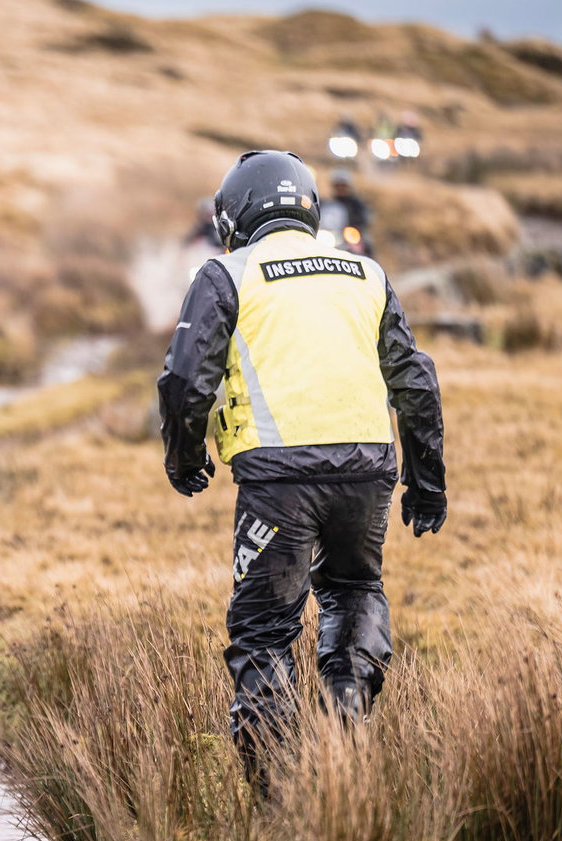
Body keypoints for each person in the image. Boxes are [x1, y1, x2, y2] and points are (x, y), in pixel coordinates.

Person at [156, 149, 446, 789]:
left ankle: (281, 798)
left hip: (279, 483)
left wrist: (183, 458)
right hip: (369, 471)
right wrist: (427, 484)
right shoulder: (365, 273)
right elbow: (416, 383)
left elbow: (184, 381)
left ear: (235, 214)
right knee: (353, 593)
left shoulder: (227, 273)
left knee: (262, 633)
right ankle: (342, 740)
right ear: (307, 207)